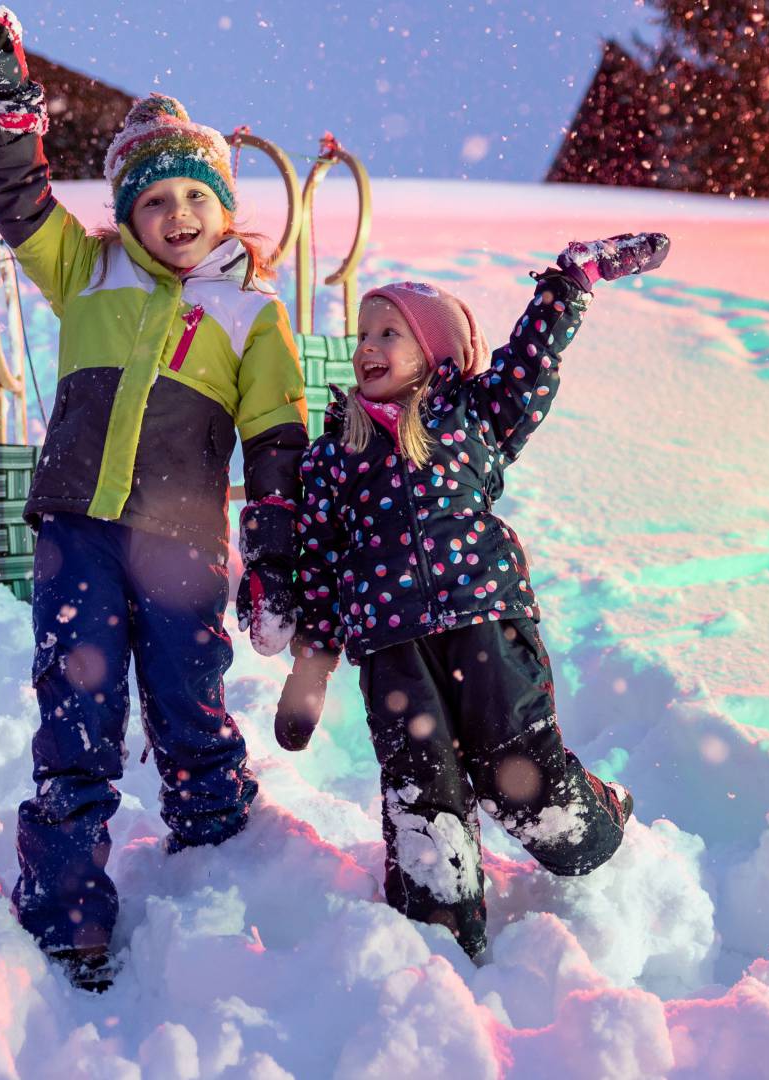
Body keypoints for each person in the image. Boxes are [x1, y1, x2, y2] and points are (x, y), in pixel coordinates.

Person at [0, 7, 309, 989]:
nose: (177, 217)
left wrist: (274, 550)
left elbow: (276, 433)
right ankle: (67, 901)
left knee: (189, 692)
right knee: (77, 706)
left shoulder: (252, 311)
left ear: (222, 206)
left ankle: (217, 837)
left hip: (184, 540)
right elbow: (22, 206)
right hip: (78, 532)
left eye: (194, 197)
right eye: (154, 203)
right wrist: (10, 122)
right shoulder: (88, 271)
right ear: (128, 215)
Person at [275, 234, 671, 958]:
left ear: (436, 352)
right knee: (423, 794)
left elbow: (530, 366)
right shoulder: (337, 451)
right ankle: (437, 945)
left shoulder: (473, 417)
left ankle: (597, 829)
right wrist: (310, 668)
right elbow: (322, 563)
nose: (368, 347)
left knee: (520, 773)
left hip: (485, 619)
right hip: (391, 646)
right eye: (363, 333)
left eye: (389, 332)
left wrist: (569, 282)